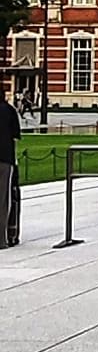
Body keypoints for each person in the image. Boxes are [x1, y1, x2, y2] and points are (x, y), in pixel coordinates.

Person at [1, 89, 21, 248]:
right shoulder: (9, 110)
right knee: (3, 200)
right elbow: (15, 137)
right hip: (4, 159)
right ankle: (2, 239)